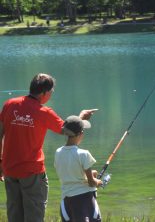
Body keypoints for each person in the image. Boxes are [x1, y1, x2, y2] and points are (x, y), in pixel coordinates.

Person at [0, 73, 98, 222]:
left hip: (9, 170)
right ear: (44, 93)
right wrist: (81, 117)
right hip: (32, 172)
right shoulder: (44, 112)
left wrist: (1, 162)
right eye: (51, 91)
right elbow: (68, 130)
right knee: (34, 215)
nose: (51, 94)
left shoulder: (9, 105)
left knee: (14, 214)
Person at [54, 115, 102, 222]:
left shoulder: (58, 153)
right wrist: (99, 182)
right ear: (81, 134)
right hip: (85, 201)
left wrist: (90, 174)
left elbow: (69, 173)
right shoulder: (83, 154)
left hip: (66, 202)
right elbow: (91, 182)